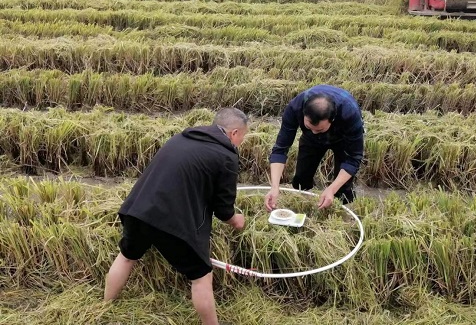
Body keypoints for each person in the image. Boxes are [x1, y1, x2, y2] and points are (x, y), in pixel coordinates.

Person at [104, 107, 249, 325]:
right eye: (243, 138)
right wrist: (235, 219)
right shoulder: (226, 156)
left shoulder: (181, 138)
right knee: (201, 276)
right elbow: (222, 208)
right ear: (234, 133)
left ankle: (104, 306)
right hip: (171, 222)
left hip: (137, 209)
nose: (240, 143)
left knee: (126, 256)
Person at [264, 85, 364, 211]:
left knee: (342, 189)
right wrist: (274, 187)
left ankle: (338, 211)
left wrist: (331, 189)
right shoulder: (295, 107)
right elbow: (280, 149)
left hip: (342, 139)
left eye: (320, 129)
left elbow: (353, 159)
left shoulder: (349, 114)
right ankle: (304, 208)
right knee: (301, 180)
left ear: (332, 119)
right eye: (309, 126)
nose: (315, 132)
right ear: (303, 113)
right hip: (310, 140)